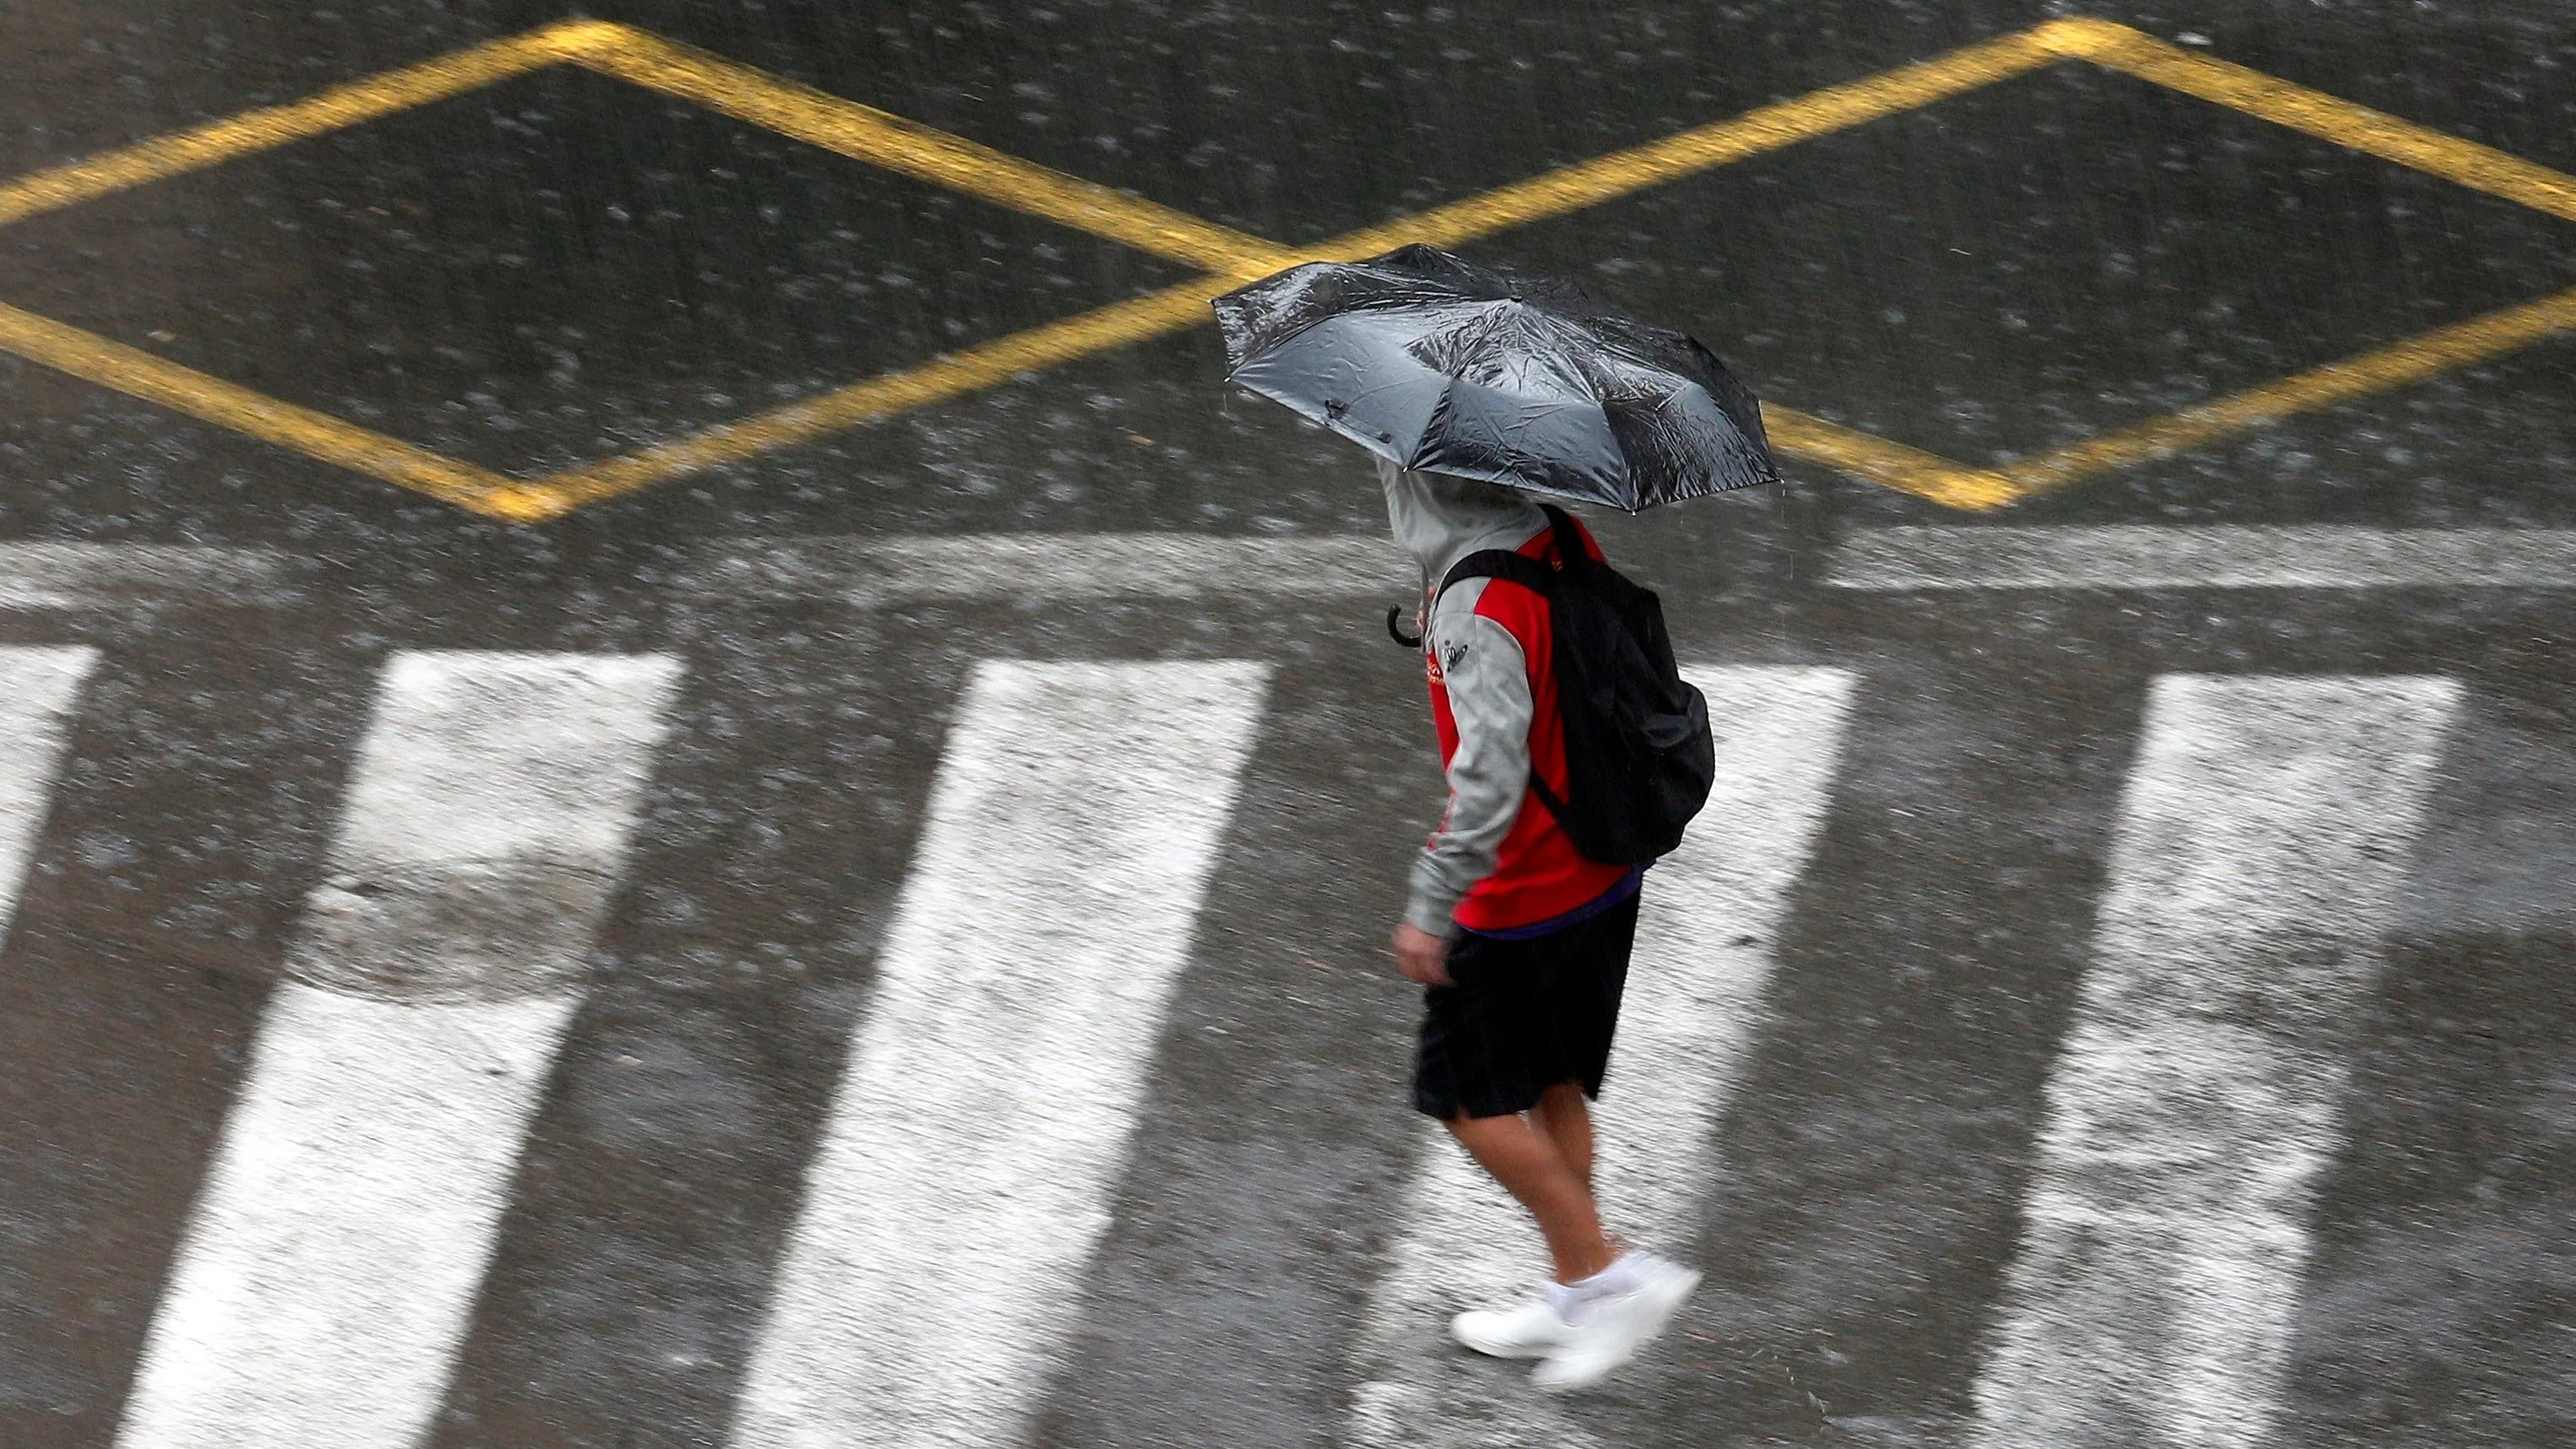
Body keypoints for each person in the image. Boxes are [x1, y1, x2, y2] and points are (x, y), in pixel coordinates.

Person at [1379, 457, 1701, 1392]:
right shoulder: (1548, 534)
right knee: (1554, 1085)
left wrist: (1433, 904)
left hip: (1523, 893)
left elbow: (1490, 778)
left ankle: (1608, 1274)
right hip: (1600, 870)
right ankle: (1576, 1285)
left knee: (1470, 1106)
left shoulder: (1477, 603)